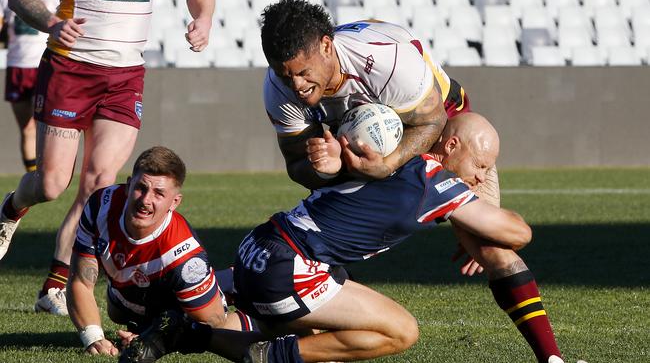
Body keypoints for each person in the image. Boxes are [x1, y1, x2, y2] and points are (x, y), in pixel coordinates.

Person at [127, 113, 567, 363]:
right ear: (450, 147)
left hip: (260, 247)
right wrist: (470, 214)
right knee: (401, 331)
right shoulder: (433, 177)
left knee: (317, 322)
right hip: (291, 268)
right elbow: (517, 232)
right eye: (482, 163)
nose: (483, 175)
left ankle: (184, 326)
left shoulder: (389, 159)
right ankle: (261, 355)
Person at [0, 0, 214, 316]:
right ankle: (11, 208)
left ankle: (54, 286)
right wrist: (51, 23)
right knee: (51, 185)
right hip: (70, 67)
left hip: (125, 76)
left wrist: (205, 17)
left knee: (98, 184)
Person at [261, 0, 502, 207]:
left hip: (436, 110)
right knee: (338, 208)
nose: (296, 86)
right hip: (359, 121)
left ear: (326, 46)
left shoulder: (387, 61)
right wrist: (329, 169)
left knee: (479, 221)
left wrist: (387, 165)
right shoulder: (277, 89)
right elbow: (296, 164)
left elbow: (432, 121)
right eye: (285, 76)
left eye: (304, 73)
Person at [67, 146, 258, 358]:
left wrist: (157, 336)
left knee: (217, 328)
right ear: (129, 185)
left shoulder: (184, 257)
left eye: (159, 193)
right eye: (140, 187)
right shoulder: (100, 207)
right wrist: (94, 338)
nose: (145, 200)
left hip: (180, 299)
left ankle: (247, 296)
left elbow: (211, 321)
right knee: (117, 311)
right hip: (130, 296)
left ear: (174, 202)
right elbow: (81, 281)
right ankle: (226, 280)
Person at [0, 0, 56, 172]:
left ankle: (48, 174)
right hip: (17, 66)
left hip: (45, 64)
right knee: (27, 128)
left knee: (45, 125)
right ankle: (32, 177)